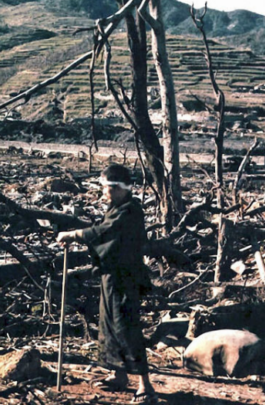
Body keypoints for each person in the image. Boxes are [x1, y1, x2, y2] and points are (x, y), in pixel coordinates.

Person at [56, 163, 156, 404]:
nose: (103, 193)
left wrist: (75, 235)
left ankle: (145, 386)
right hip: (111, 275)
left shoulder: (130, 211)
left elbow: (106, 232)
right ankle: (118, 375)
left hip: (125, 277)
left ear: (119, 188)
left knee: (126, 327)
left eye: (106, 188)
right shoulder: (117, 206)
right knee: (108, 324)